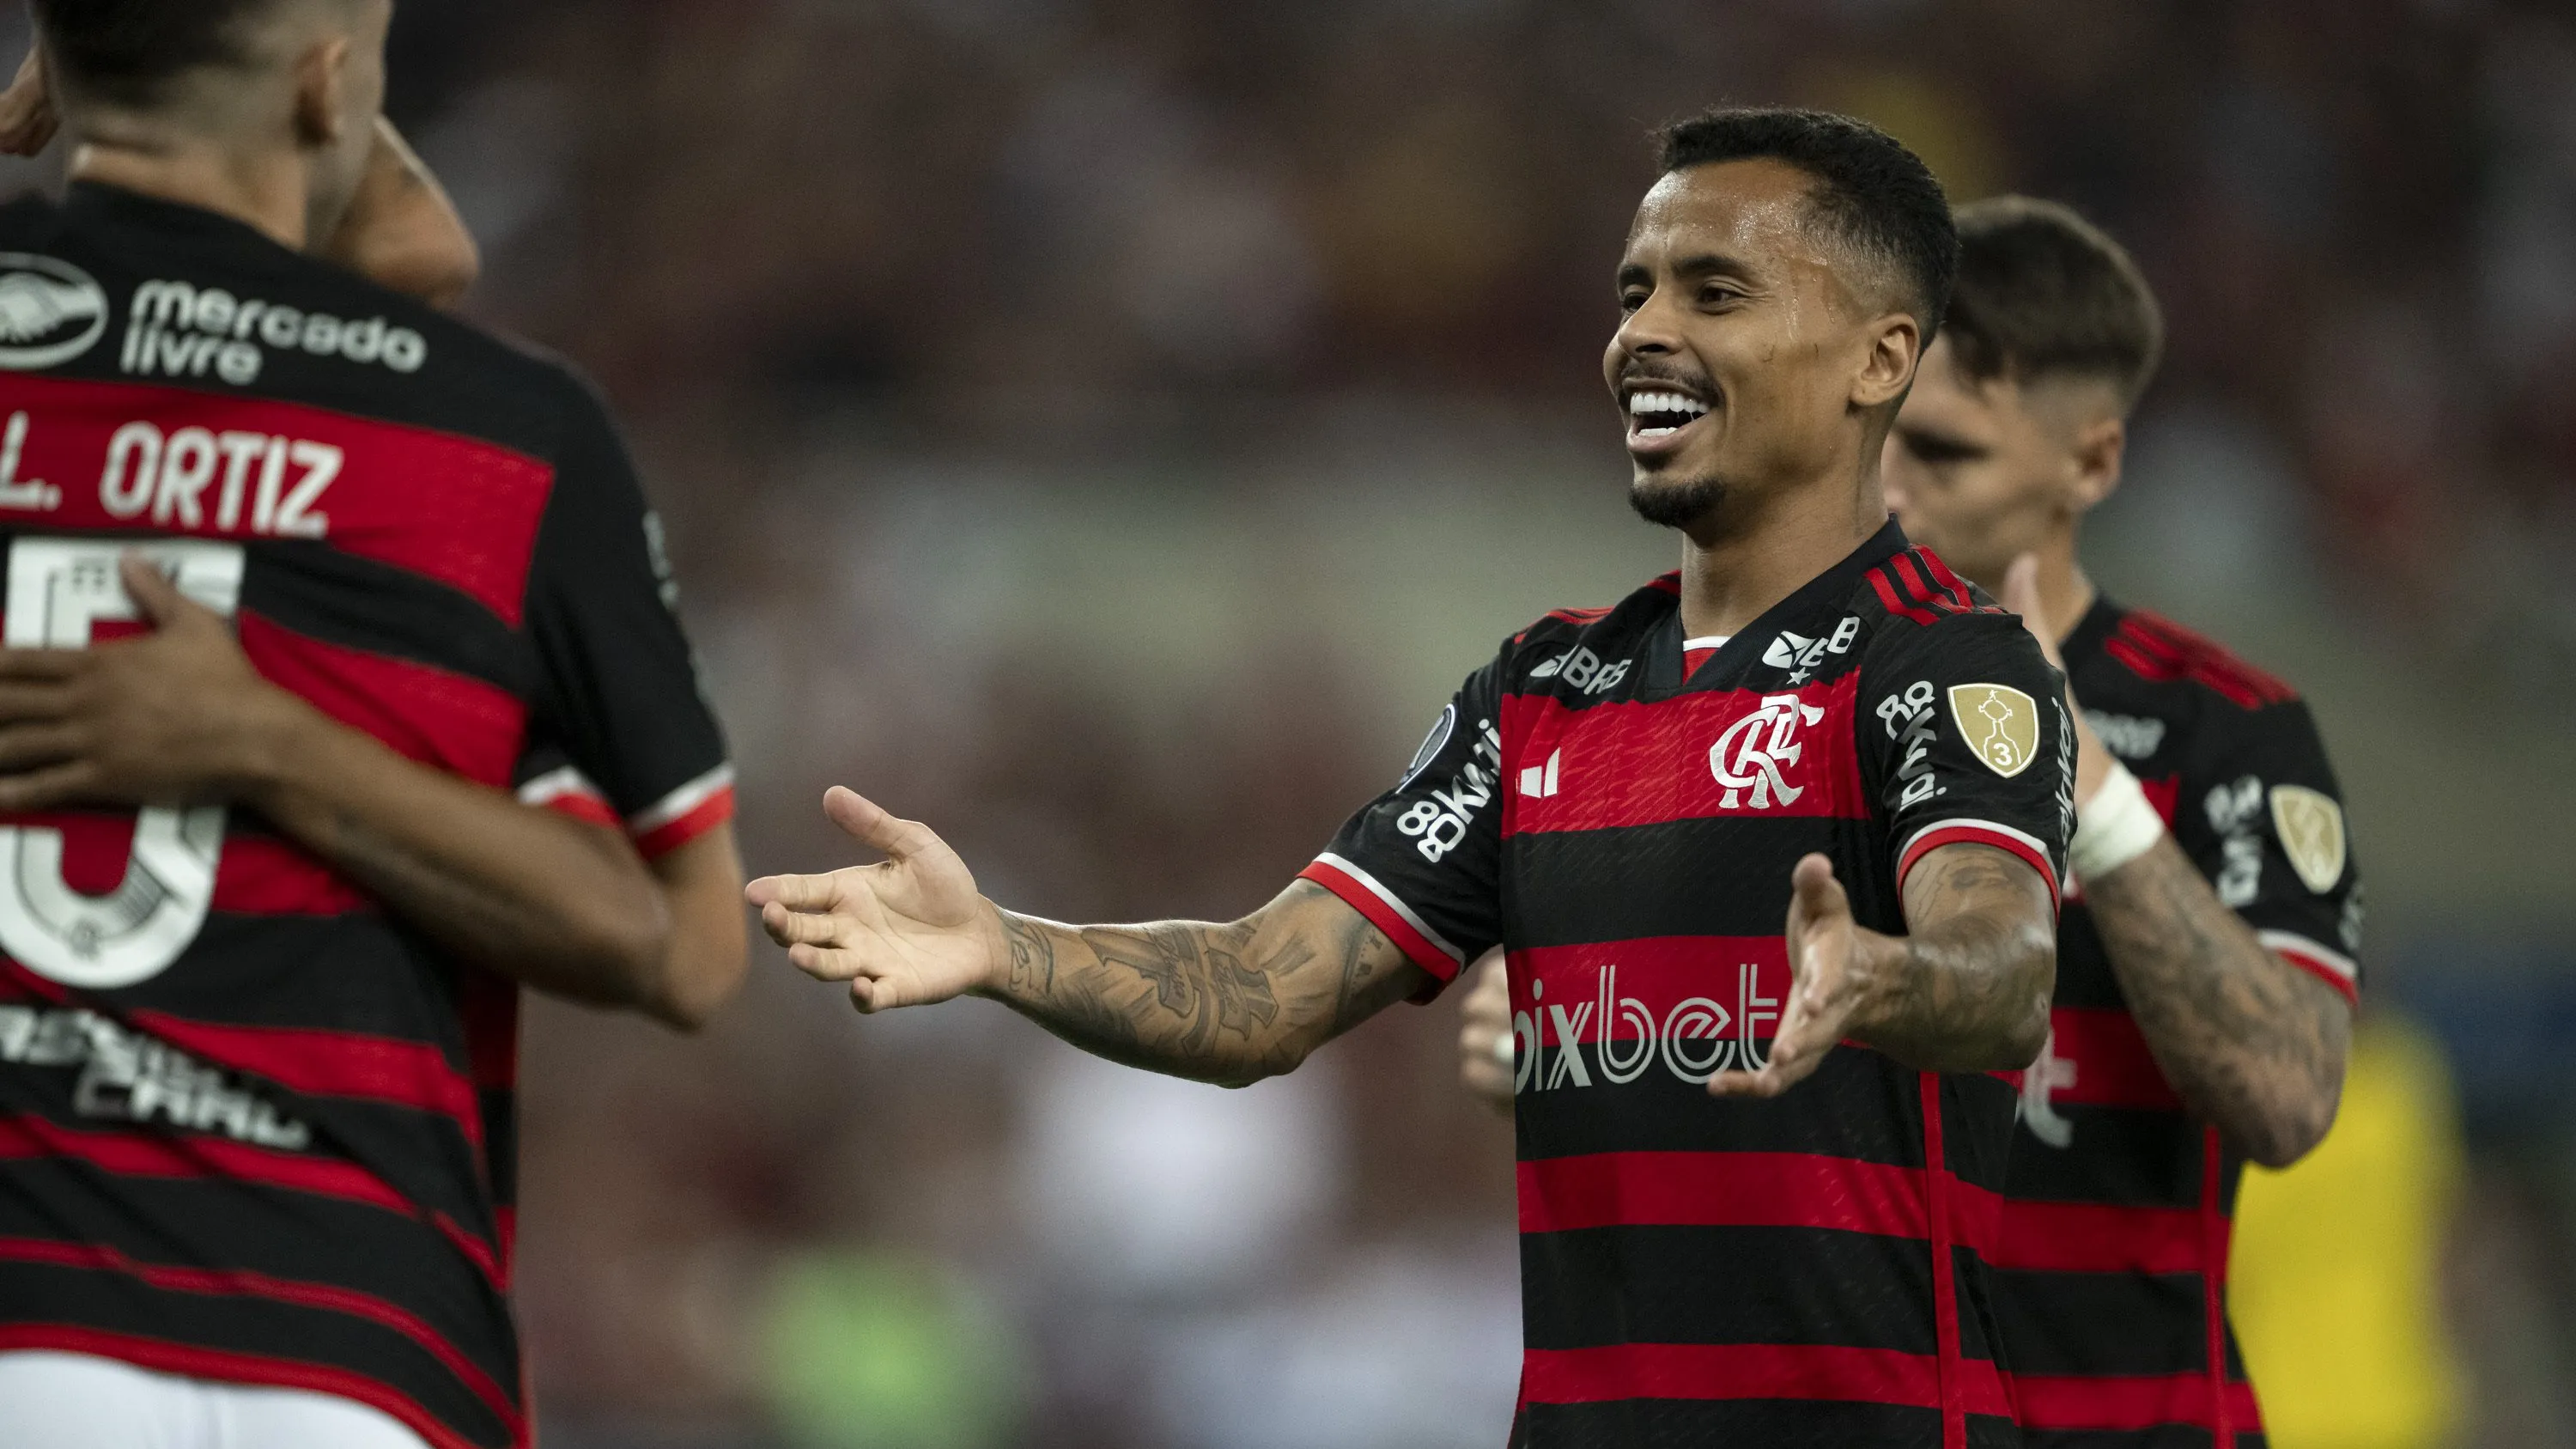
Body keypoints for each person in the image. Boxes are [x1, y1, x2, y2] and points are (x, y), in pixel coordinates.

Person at [753, 108, 2073, 1449]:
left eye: (1714, 291)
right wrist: (1001, 947)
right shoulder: (1543, 695)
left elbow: (2006, 963)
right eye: (1635, 291)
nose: (1644, 334)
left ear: (1878, 357)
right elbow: (1264, 990)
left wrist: (1886, 975)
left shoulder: (1942, 666)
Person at [1461, 194, 2361, 1447]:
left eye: (1940, 453)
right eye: (1876, 432)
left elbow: (2287, 1097)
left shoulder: (2223, 730)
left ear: (2089, 463)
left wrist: (2088, 791)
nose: (1887, 483)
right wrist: (1576, 1027)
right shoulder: (1738, 694)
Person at [0, 3, 749, 1446]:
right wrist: (270, 737)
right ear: (333, 79)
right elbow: (687, 947)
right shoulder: (497, 445)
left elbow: (405, 252)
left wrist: (116, 56)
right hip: (357, 1348)